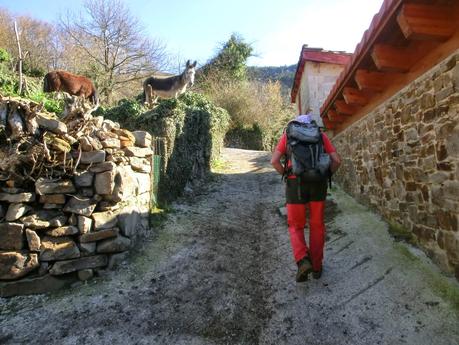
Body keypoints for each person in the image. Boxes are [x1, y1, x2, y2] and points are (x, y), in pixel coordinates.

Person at [271, 114, 341, 282]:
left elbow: (274, 161)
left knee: (296, 226)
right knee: (317, 226)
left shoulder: (288, 136)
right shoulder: (321, 136)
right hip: (318, 183)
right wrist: (326, 174)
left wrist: (287, 175)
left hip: (295, 185)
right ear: (311, 125)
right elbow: (337, 160)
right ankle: (317, 267)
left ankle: (303, 260)